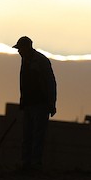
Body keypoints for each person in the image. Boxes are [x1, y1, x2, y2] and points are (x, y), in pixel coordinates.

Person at [13, 36, 56, 171]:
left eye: (20, 49)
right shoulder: (25, 60)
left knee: (38, 135)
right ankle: (26, 163)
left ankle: (35, 164)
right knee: (27, 135)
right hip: (29, 104)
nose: (19, 52)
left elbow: (50, 83)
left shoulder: (41, 61)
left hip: (41, 104)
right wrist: (23, 101)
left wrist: (51, 103)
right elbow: (24, 83)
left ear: (27, 48)